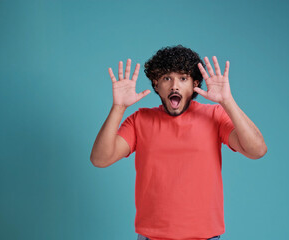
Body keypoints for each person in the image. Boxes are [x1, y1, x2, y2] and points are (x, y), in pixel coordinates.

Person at [90, 45, 267, 240]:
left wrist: (227, 101)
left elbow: (257, 150)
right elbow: (100, 159)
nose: (175, 85)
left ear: (194, 84)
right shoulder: (140, 120)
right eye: (167, 78)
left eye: (183, 78)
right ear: (156, 84)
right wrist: (118, 107)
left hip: (205, 237)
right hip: (152, 237)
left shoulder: (214, 116)